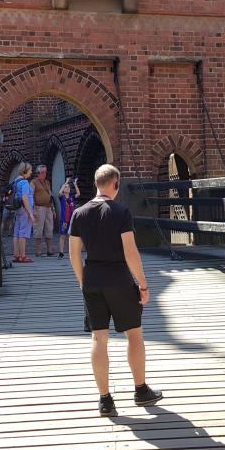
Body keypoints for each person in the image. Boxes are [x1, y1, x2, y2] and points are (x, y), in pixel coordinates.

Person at [69, 164, 163, 416]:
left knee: (99, 338)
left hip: (93, 278)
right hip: (119, 279)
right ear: (115, 184)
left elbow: (73, 253)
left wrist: (82, 280)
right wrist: (142, 284)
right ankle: (141, 391)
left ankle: (105, 400)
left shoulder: (79, 213)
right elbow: (130, 252)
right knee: (134, 334)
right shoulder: (121, 211)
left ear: (96, 183)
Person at [31, 164, 57, 257]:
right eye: (42, 172)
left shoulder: (47, 182)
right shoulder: (33, 182)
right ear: (38, 173)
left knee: (49, 228)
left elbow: (50, 196)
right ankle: (38, 251)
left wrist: (53, 209)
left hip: (48, 208)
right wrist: (33, 209)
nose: (45, 174)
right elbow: (31, 196)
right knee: (38, 229)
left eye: (45, 172)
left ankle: (49, 250)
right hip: (39, 208)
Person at [11, 162, 35, 263]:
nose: (31, 172)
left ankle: (16, 255)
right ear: (25, 171)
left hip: (18, 208)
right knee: (23, 231)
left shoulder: (16, 181)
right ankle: (23, 256)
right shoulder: (24, 182)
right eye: (30, 170)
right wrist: (30, 213)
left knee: (17, 231)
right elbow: (25, 198)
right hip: (24, 209)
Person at [57, 176, 81, 258]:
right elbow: (59, 193)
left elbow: (78, 194)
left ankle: (73, 252)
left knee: (72, 236)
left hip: (72, 220)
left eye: (68, 187)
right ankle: (61, 252)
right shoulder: (62, 197)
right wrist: (66, 182)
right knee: (63, 235)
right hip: (64, 220)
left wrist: (75, 184)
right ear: (63, 189)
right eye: (65, 187)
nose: (67, 188)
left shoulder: (72, 197)